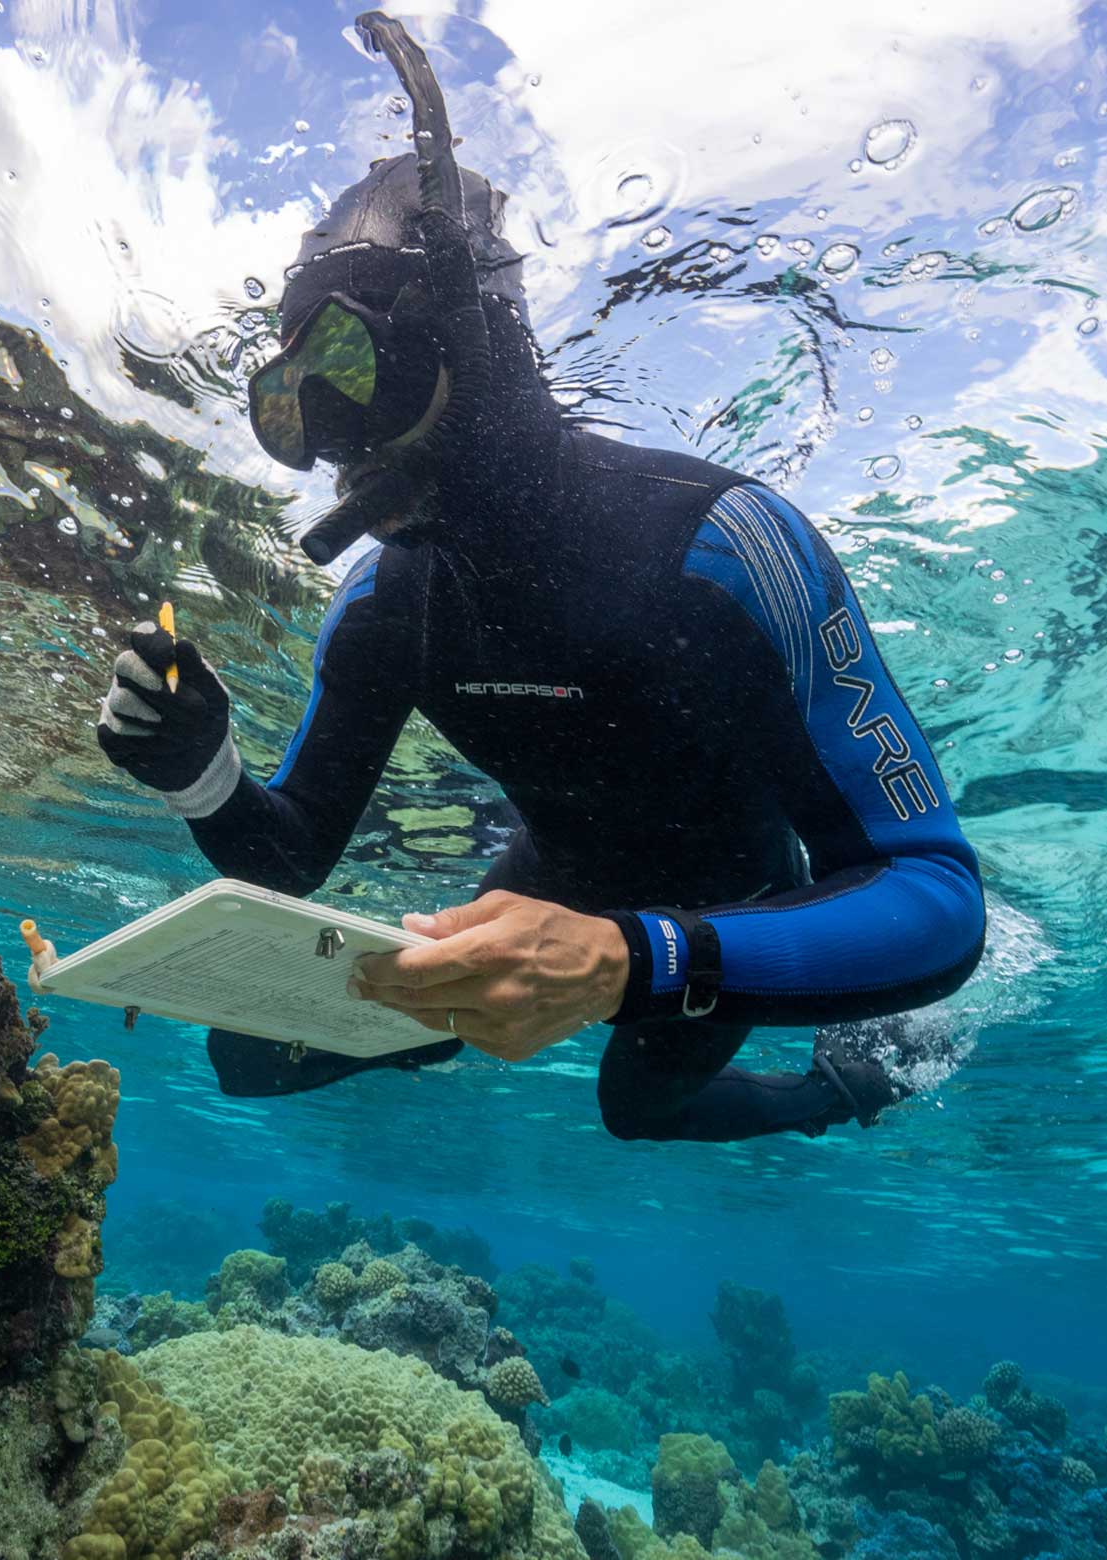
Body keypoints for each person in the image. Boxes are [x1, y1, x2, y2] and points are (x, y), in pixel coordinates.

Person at [94, 18, 984, 1142]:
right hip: (548, 875)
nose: (333, 445)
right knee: (247, 1060)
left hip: (736, 898)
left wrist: (631, 960)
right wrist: (203, 775)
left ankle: (841, 1088)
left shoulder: (722, 545)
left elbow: (938, 905)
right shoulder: (386, 603)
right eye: (288, 403)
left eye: (352, 370)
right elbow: (291, 851)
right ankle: (478, 1010)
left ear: (478, 342)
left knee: (640, 1110)